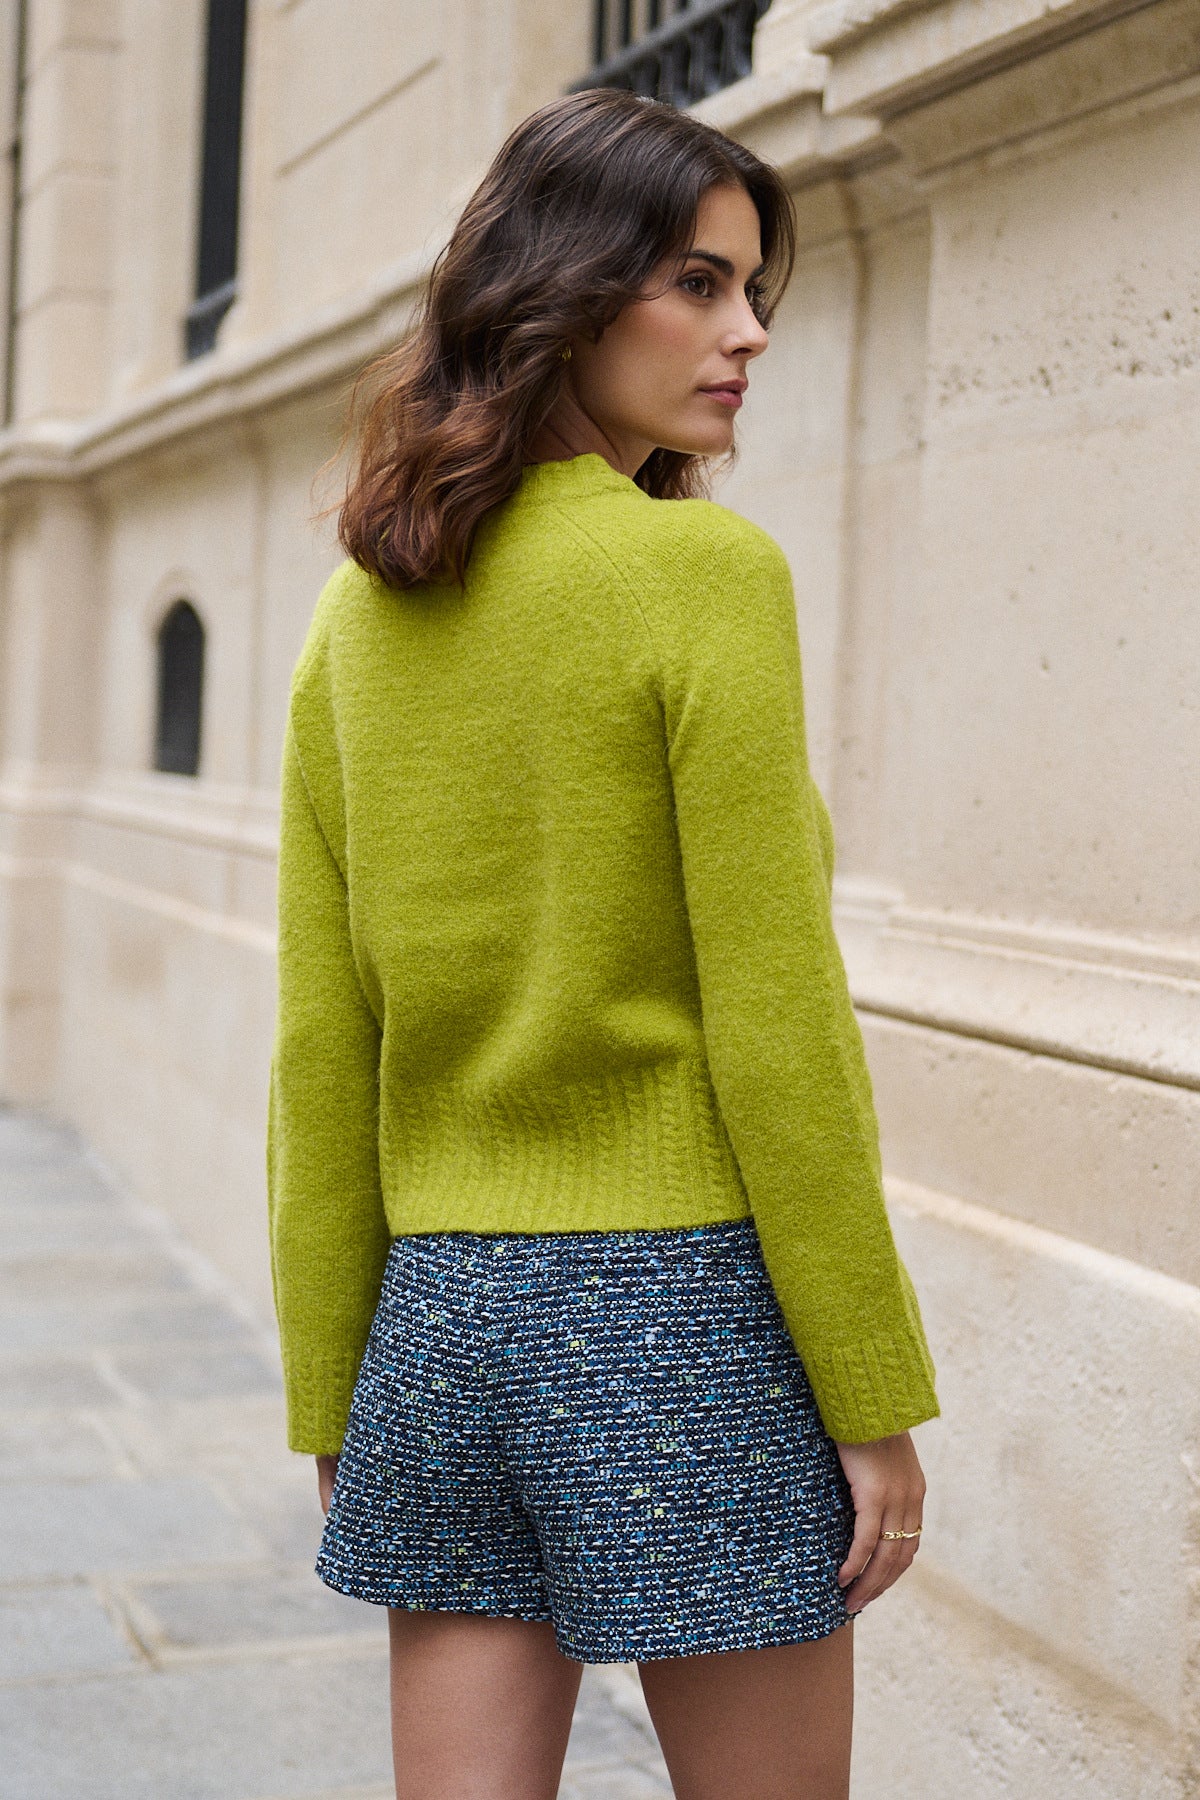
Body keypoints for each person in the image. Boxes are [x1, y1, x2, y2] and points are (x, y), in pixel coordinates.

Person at [267, 85, 939, 1800]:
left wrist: (336, 1390)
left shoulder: (359, 612)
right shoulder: (698, 576)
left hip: (439, 1320)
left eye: (751, 289)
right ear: (560, 291)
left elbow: (322, 1043)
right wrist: (869, 1392)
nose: (749, 332)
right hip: (681, 1310)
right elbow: (775, 1021)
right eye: (698, 284)